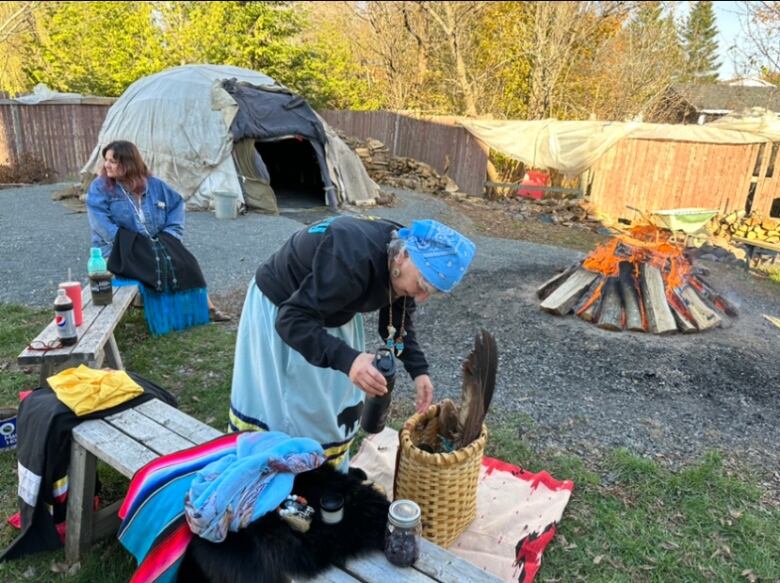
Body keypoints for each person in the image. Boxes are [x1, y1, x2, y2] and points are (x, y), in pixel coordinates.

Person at [229, 215, 476, 470]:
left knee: (333, 407)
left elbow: (394, 323)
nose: (422, 297)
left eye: (432, 292)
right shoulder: (350, 254)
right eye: (423, 285)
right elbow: (291, 320)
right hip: (284, 311)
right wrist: (350, 360)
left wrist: (419, 370)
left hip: (331, 310)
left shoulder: (403, 257)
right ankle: (285, 470)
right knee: (294, 408)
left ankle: (323, 470)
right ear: (403, 257)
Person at [86, 140, 230, 325]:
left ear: (128, 163)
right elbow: (100, 223)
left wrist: (171, 234)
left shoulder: (154, 185)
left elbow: (177, 204)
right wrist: (130, 244)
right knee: (153, 262)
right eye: (106, 160)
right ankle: (165, 314)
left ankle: (206, 308)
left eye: (113, 161)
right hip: (118, 247)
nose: (107, 165)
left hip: (153, 242)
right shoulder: (100, 187)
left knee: (187, 262)